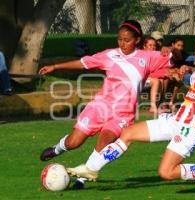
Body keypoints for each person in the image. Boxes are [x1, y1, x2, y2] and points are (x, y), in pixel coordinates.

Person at [67, 31, 195, 187]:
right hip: (176, 120)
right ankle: (91, 168)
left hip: (191, 129)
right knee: (127, 133)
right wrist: (185, 70)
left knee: (166, 172)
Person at [39, 20, 172, 170]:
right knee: (73, 142)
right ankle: (57, 149)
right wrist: (55, 67)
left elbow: (176, 56)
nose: (122, 43)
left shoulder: (147, 57)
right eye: (120, 39)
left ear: (137, 40)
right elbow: (84, 62)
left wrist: (168, 48)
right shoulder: (109, 55)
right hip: (99, 107)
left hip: (123, 114)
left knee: (103, 144)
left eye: (127, 40)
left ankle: (83, 177)